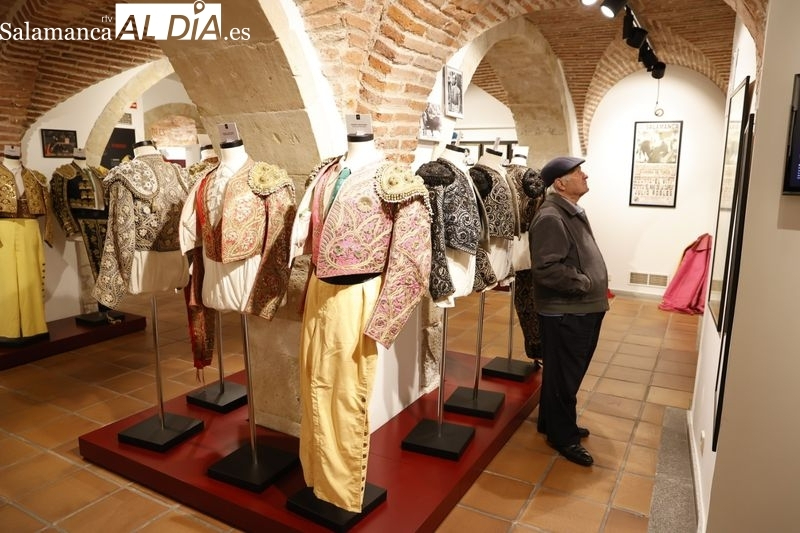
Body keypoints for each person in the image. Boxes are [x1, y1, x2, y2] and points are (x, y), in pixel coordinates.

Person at [530, 156, 609, 467]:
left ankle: (550, 422)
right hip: (568, 311)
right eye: (577, 172)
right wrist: (586, 283)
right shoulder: (552, 216)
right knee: (566, 375)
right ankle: (563, 437)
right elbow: (547, 269)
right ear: (560, 183)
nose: (585, 175)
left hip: (578, 308)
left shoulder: (568, 211)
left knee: (560, 372)